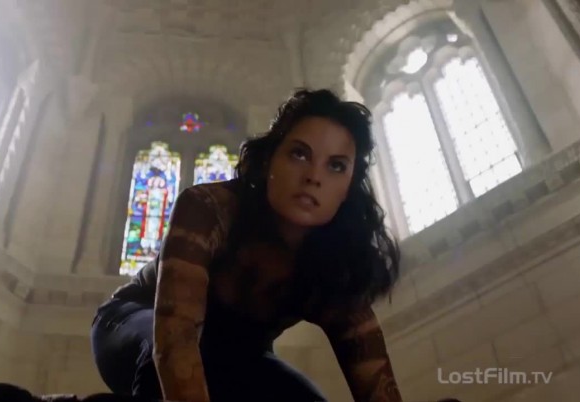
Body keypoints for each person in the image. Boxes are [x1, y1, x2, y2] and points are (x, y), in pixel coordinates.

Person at [90, 88, 403, 402]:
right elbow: (175, 344)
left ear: (348, 189)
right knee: (183, 364)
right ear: (269, 160)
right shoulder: (210, 209)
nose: (313, 177)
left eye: (336, 166)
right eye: (299, 154)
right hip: (136, 322)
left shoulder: (338, 267)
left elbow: (379, 388)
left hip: (241, 356)